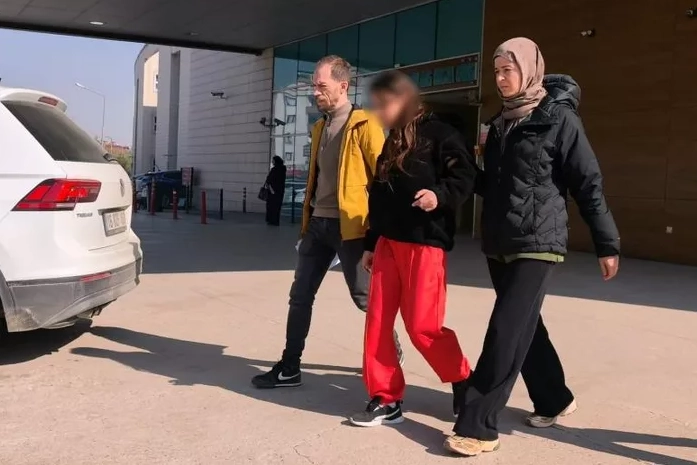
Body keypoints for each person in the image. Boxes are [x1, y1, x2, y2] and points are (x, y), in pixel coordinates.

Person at [445, 37, 621, 457]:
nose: (501, 78)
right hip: (501, 240)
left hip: (539, 241)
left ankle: (478, 425)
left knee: (505, 329)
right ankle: (554, 397)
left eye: (508, 70)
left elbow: (588, 183)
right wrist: (460, 168)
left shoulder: (559, 119)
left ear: (528, 70)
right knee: (524, 326)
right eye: (496, 71)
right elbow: (496, 185)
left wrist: (606, 242)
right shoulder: (500, 123)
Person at [252, 55, 403, 389]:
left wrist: (377, 232)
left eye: (321, 86)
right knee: (300, 296)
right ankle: (290, 366)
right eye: (313, 86)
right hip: (317, 225)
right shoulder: (319, 127)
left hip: (352, 227)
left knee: (364, 298)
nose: (315, 92)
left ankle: (390, 352)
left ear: (343, 86)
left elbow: (385, 179)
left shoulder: (365, 125)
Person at [347, 70, 479, 427]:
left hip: (425, 244)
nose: (379, 112)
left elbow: (465, 176)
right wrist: (371, 243)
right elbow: (379, 195)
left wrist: (439, 195)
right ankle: (386, 397)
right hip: (388, 244)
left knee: (423, 326)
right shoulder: (392, 140)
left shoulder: (442, 134)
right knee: (378, 322)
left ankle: (463, 378)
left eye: (384, 104)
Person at [265, 156, 286, 226]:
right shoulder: (283, 169)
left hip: (272, 191)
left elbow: (270, 179)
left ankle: (271, 220)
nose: (272, 162)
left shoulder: (274, 169)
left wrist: (269, 186)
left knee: (271, 206)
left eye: (273, 160)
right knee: (277, 207)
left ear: (276, 161)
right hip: (279, 191)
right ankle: (275, 220)